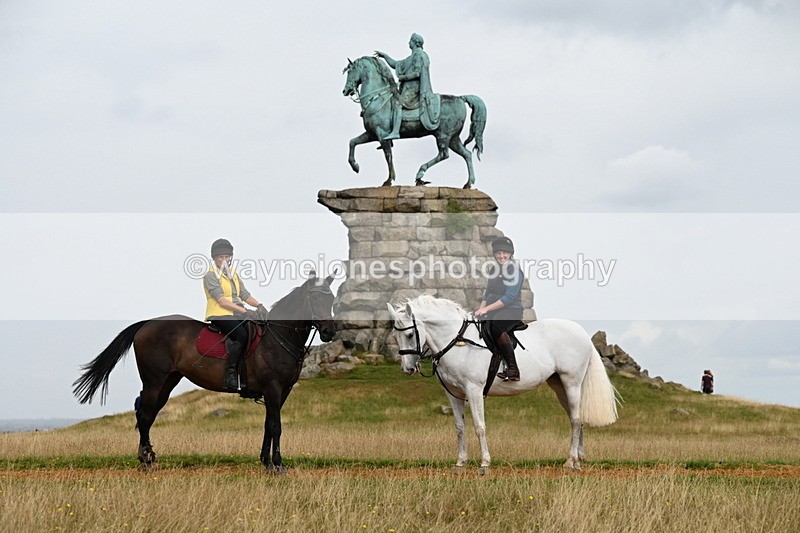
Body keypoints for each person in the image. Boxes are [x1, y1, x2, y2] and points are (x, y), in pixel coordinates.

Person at [203, 238, 266, 391]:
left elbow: (244, 295)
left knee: (261, 328)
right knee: (242, 336)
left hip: (237, 313)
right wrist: (244, 311)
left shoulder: (233, 274)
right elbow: (222, 301)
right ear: (214, 258)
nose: (224, 260)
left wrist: (259, 305)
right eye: (220, 257)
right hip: (220, 315)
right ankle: (230, 376)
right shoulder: (210, 276)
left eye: (227, 256)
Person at [474, 236, 525, 381]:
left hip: (512, 309)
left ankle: (513, 368)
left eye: (505, 253)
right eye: (498, 253)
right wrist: (481, 309)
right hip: (494, 308)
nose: (502, 256)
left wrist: (487, 309)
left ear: (510, 254)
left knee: (496, 326)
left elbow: (508, 298)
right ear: (495, 255)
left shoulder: (515, 271)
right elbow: (488, 292)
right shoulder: (494, 270)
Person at [375, 32, 440, 140]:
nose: (408, 42)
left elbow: (417, 73)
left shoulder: (420, 55)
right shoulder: (411, 57)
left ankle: (396, 132)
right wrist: (385, 56)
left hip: (414, 89)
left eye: (410, 41)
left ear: (414, 43)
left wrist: (403, 78)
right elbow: (396, 64)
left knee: (397, 104)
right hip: (407, 88)